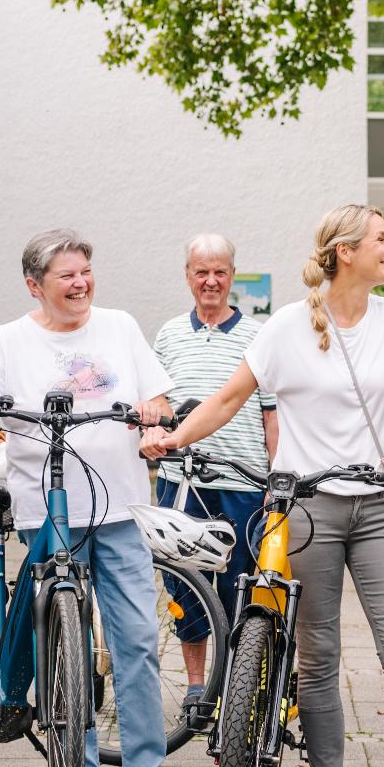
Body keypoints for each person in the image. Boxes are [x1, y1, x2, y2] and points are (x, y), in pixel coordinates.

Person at [144, 204, 384, 767]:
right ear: (347, 251)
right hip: (305, 506)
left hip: (375, 503)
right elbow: (228, 399)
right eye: (380, 238)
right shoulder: (286, 326)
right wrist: (174, 438)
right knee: (315, 658)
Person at [0, 230, 200, 767]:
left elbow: (160, 403)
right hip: (47, 511)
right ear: (35, 285)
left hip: (118, 508)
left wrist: (152, 421)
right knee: (64, 642)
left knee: (137, 643)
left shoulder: (119, 326)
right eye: (66, 276)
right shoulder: (10, 341)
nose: (80, 283)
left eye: (85, 271)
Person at [148, 233, 279, 692]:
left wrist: (274, 480)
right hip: (179, 483)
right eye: (201, 271)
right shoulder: (168, 334)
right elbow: (156, 402)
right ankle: (198, 688)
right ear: (187, 276)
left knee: (237, 588)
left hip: (243, 483)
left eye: (219, 271)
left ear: (232, 276)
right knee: (184, 589)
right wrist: (152, 433)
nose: (210, 280)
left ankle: (234, 690)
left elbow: (271, 416)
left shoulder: (259, 335)